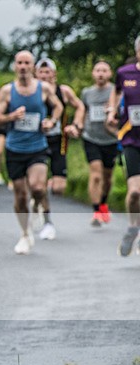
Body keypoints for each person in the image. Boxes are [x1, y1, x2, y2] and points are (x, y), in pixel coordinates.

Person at [0, 50, 63, 255]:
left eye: (27, 63)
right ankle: (25, 234)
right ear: (15, 66)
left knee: (38, 188)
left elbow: (59, 107)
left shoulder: (44, 88)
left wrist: (51, 121)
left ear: (32, 67)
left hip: (37, 147)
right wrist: (11, 116)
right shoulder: (7, 91)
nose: (23, 66)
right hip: (14, 148)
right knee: (20, 196)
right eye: (19, 63)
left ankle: (38, 203)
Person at [34, 58, 85, 239]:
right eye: (41, 72)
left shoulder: (63, 91)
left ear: (54, 74)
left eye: (48, 72)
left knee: (59, 188)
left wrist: (76, 125)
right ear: (36, 74)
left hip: (58, 142)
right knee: (38, 185)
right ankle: (48, 222)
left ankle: (41, 192)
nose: (45, 75)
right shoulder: (32, 92)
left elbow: (80, 106)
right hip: (36, 142)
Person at [108, 35, 140, 256]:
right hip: (132, 138)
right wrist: (112, 110)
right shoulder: (124, 73)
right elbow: (116, 92)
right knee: (136, 192)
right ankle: (132, 226)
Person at [80, 61, 119, 227]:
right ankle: (96, 211)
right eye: (97, 70)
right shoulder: (87, 93)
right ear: (93, 74)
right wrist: (78, 127)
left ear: (110, 74)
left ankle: (103, 204)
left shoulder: (116, 91)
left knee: (107, 177)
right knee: (96, 174)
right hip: (91, 137)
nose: (101, 74)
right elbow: (83, 112)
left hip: (111, 139)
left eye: (104, 70)